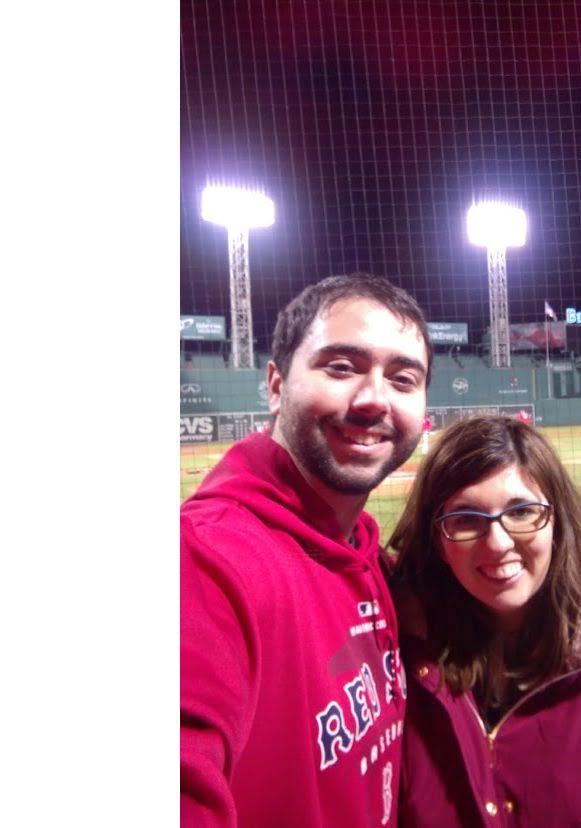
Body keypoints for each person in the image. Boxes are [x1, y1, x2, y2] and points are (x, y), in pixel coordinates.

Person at [181, 273, 432, 826]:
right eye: (341, 367)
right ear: (274, 385)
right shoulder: (205, 560)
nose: (373, 400)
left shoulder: (366, 554)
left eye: (403, 378)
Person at [388, 416, 581, 826]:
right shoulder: (392, 662)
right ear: (436, 539)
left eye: (523, 512)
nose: (498, 543)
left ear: (558, 523)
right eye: (465, 519)